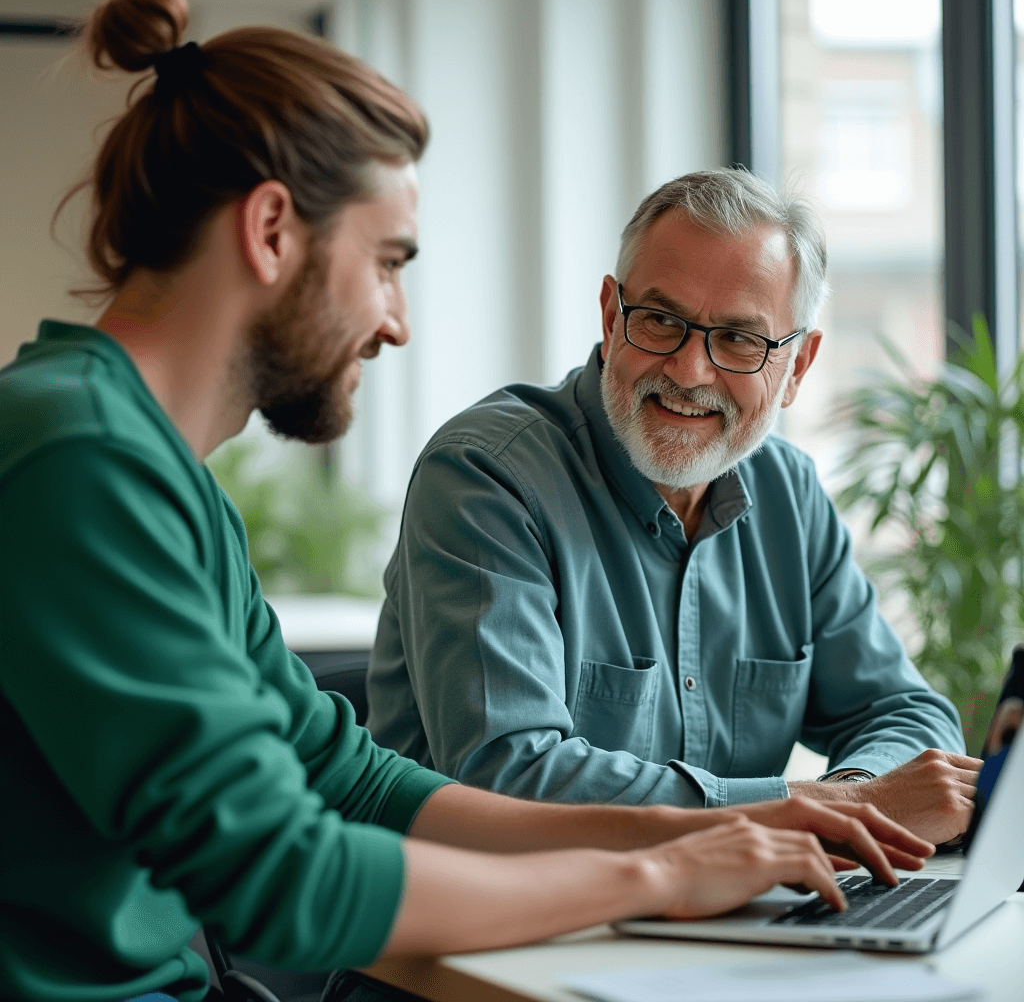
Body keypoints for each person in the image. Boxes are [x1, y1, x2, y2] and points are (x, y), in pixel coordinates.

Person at [0, 0, 937, 1002]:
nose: (397, 320)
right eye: (388, 262)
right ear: (272, 231)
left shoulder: (156, 472)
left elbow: (347, 778)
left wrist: (721, 831)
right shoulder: (77, 457)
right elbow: (282, 879)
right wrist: (661, 870)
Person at [366, 168, 982, 847]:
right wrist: (806, 814)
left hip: (720, 928)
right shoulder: (487, 477)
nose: (690, 371)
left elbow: (904, 711)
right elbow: (509, 778)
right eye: (660, 320)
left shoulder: (789, 493)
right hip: (490, 937)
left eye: (741, 340)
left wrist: (851, 801)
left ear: (798, 367)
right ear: (610, 315)